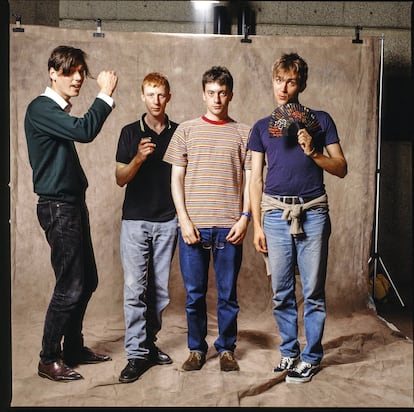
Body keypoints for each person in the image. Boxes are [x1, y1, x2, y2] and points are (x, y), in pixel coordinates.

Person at [248, 52, 347, 383]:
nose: (284, 87)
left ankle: (312, 356)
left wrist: (314, 151)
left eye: (291, 81)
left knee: (314, 289)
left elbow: (342, 168)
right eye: (279, 80)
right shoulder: (263, 127)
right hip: (275, 214)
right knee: (281, 290)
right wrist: (257, 225)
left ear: (301, 84)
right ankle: (290, 352)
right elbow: (255, 179)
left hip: (313, 212)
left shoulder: (321, 121)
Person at [24, 45, 118, 382]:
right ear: (53, 72)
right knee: (71, 285)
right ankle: (48, 357)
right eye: (69, 71)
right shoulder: (41, 108)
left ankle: (73, 347)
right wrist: (105, 94)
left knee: (86, 280)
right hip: (58, 207)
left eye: (81, 71)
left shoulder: (56, 111)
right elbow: (84, 131)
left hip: (72, 205)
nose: (78, 77)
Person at [163, 66, 251, 372]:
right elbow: (176, 179)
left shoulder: (244, 133)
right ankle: (196, 350)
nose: (217, 99)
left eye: (222, 93)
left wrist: (245, 218)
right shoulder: (185, 130)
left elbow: (252, 180)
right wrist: (183, 220)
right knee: (194, 295)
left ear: (230, 94)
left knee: (228, 295)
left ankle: (226, 349)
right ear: (203, 94)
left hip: (229, 227)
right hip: (194, 227)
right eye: (211, 93)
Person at [115, 72, 178, 383]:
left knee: (160, 292)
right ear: (142, 96)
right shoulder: (129, 132)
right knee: (134, 290)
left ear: (168, 97)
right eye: (150, 94)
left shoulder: (179, 133)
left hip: (168, 221)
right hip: (135, 222)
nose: (156, 100)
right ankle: (136, 354)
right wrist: (138, 159)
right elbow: (120, 178)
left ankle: (148, 345)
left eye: (161, 94)